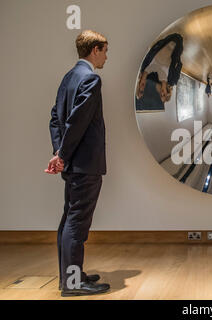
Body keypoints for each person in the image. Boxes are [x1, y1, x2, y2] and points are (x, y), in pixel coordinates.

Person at [45, 30, 111, 297]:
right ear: (95, 49)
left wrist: (59, 153)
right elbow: (78, 122)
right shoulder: (90, 79)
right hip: (85, 164)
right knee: (77, 224)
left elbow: (55, 119)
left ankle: (70, 276)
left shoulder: (69, 77)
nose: (107, 56)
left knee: (68, 219)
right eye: (105, 50)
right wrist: (62, 155)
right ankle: (73, 284)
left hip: (73, 164)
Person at [136, 33, 183, 110]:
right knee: (179, 37)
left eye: (160, 95)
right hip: (178, 44)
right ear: (167, 93)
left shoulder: (152, 76)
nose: (162, 93)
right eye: (163, 95)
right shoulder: (173, 81)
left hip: (168, 40)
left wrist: (143, 76)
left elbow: (150, 54)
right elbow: (179, 64)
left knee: (175, 36)